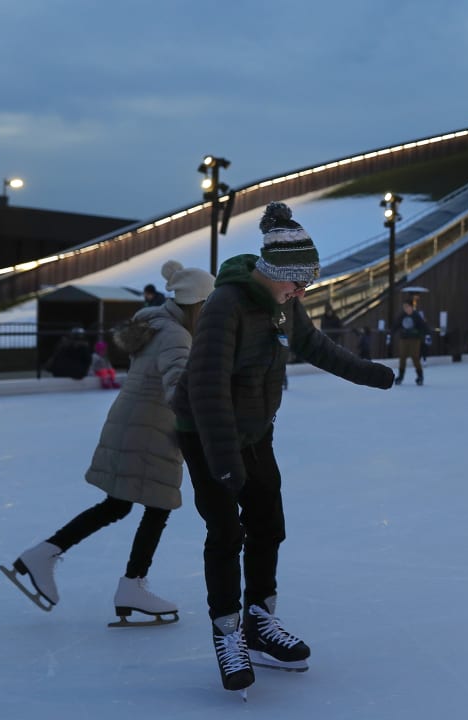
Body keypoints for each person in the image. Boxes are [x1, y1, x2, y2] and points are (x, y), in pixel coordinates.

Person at [172, 202, 395, 694]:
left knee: (269, 524)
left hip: (254, 430)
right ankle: (228, 634)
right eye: (298, 282)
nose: (303, 291)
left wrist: (369, 373)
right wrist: (225, 463)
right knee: (227, 531)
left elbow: (315, 347)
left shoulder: (284, 304)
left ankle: (259, 622)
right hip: (206, 431)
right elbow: (206, 389)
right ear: (274, 272)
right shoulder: (224, 307)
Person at [2, 260, 216, 625]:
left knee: (118, 505)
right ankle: (132, 584)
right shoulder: (177, 336)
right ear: (196, 304)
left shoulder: (156, 325)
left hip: (133, 427)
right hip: (150, 434)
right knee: (157, 505)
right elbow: (179, 386)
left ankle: (44, 554)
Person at [393, 300, 429, 385]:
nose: (406, 309)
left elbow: (423, 326)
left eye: (407, 307)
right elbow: (396, 325)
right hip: (404, 339)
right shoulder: (402, 315)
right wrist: (391, 333)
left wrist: (423, 334)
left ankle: (420, 376)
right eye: (404, 307)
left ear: (411, 307)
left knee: (415, 357)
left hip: (415, 340)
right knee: (402, 357)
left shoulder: (416, 316)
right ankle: (400, 377)